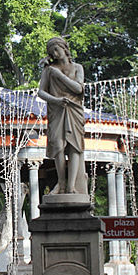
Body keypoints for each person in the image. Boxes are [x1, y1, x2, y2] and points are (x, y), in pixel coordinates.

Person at [37, 36, 87, 195]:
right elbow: (41, 92)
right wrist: (56, 100)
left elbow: (78, 88)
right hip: (57, 111)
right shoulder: (48, 70)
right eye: (52, 52)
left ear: (64, 48)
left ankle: (72, 186)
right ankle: (61, 183)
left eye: (57, 50)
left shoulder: (77, 67)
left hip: (73, 110)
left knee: (74, 146)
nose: (55, 54)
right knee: (58, 146)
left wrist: (59, 75)